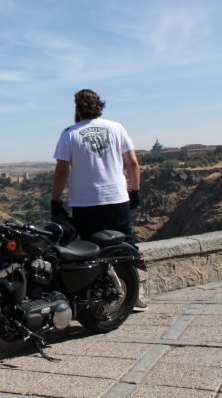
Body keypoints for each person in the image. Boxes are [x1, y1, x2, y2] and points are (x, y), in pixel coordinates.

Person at [50, 88, 147, 311]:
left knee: (90, 250)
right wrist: (135, 190)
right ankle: (134, 296)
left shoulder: (70, 133)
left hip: (85, 202)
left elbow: (61, 171)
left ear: (77, 108)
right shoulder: (116, 128)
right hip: (117, 197)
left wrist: (55, 200)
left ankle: (96, 299)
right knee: (126, 246)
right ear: (100, 105)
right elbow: (132, 163)